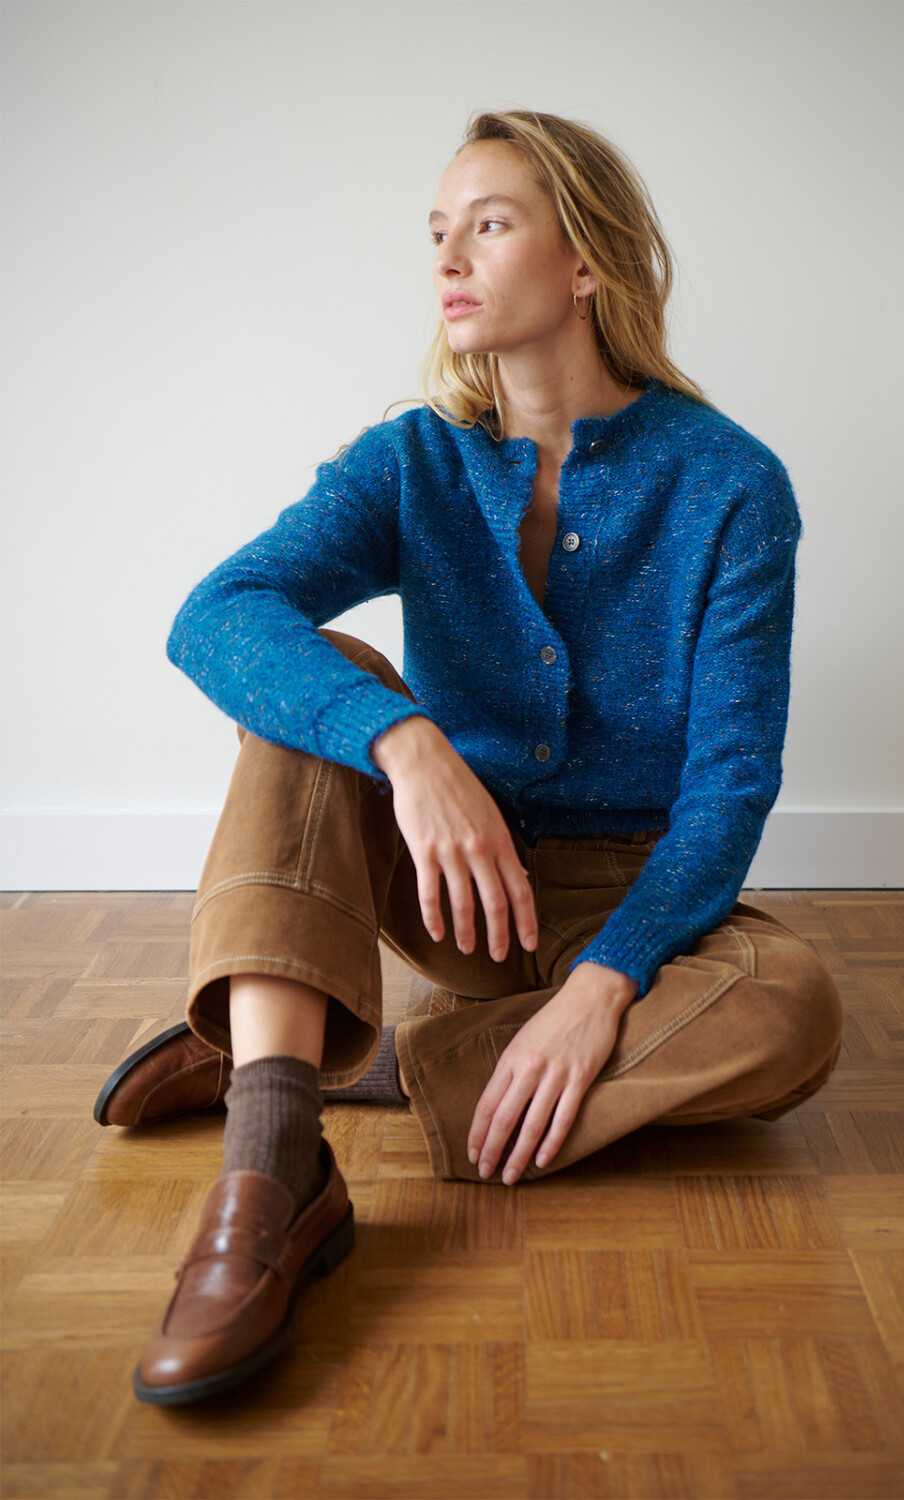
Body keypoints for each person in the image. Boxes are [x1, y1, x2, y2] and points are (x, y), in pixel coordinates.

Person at [94, 109, 842, 1407]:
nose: (448, 257)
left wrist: (606, 983)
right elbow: (216, 615)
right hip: (456, 887)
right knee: (322, 680)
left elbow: (729, 787)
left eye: (488, 225)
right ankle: (270, 1171)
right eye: (438, 231)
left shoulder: (729, 485)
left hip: (633, 897)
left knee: (791, 1007)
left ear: (586, 260)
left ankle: (313, 1051)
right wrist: (406, 740)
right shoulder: (412, 463)